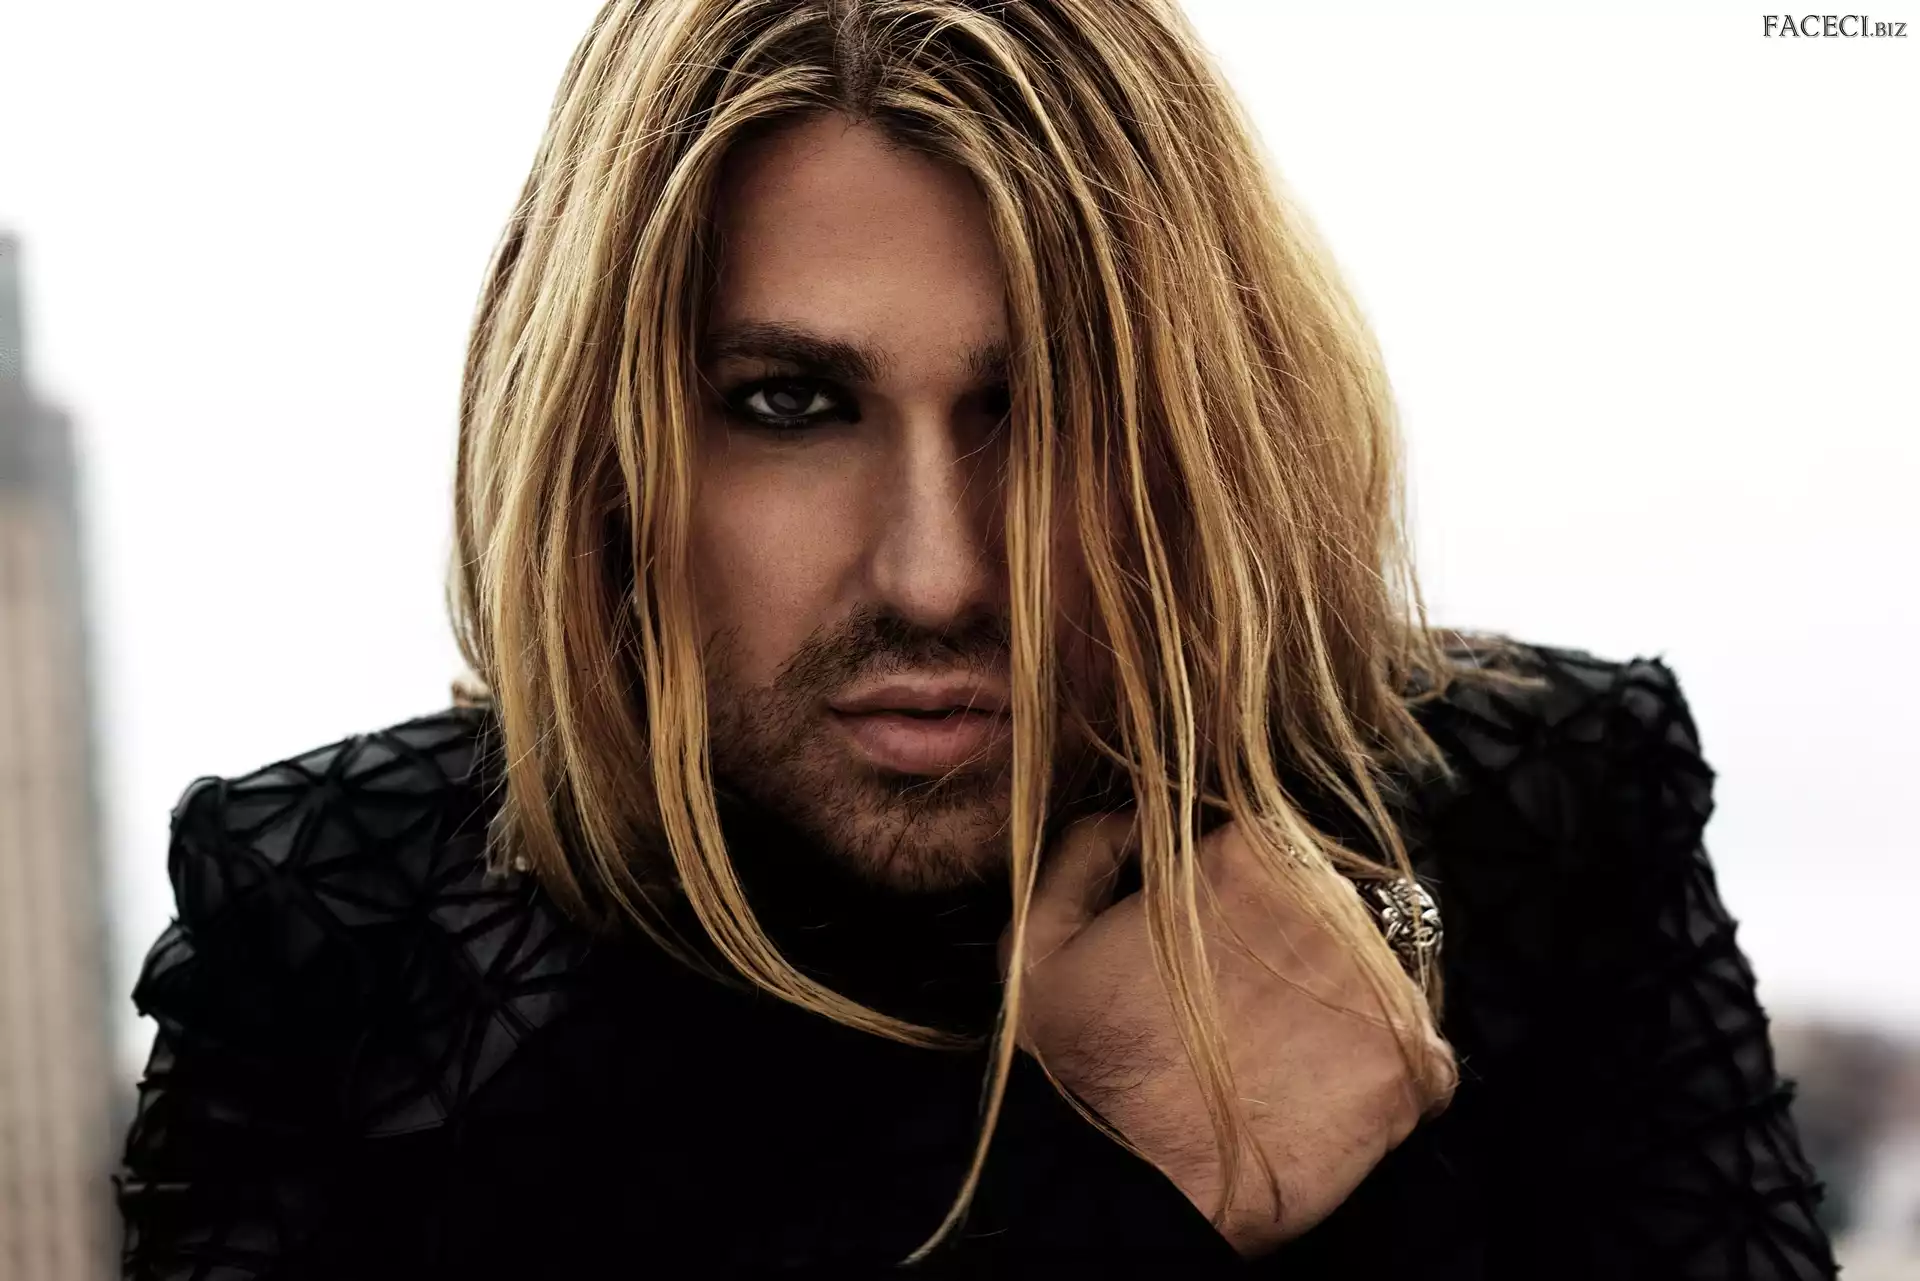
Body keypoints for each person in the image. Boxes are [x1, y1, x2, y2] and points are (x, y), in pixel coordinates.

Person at [115, 1, 1838, 1277]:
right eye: (789, 403)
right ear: (608, 452)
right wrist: (1119, 1204)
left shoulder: (1543, 810)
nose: (938, 576)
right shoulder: (339, 927)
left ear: (1210, 425)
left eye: (1046, 407)